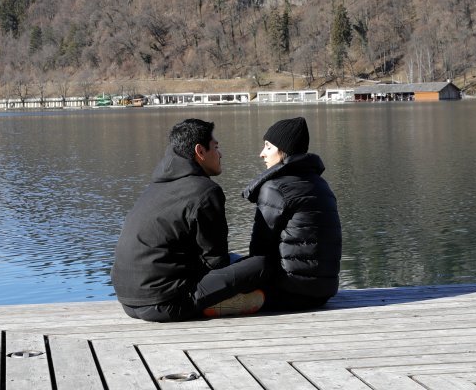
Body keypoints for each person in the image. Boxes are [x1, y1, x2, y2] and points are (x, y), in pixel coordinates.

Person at [111, 118, 270, 322]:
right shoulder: (205, 191)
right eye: (216, 147)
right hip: (168, 304)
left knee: (238, 263)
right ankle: (218, 304)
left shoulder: (156, 187)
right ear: (200, 151)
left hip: (128, 302)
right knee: (262, 264)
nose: (220, 154)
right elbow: (216, 261)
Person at [243, 116, 342, 311]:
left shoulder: (275, 187)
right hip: (323, 291)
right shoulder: (320, 184)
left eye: (268, 147)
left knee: (228, 265)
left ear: (283, 151)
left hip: (289, 291)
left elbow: (259, 249)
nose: (262, 153)